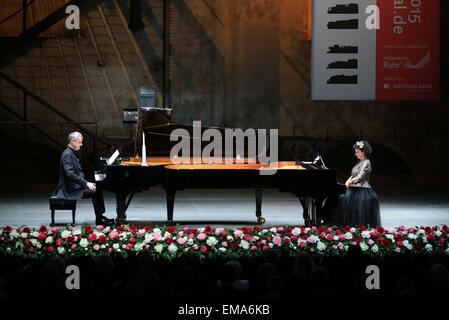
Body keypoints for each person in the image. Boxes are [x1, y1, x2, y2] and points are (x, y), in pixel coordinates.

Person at [53, 132, 114, 226]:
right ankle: (99, 219)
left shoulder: (71, 153)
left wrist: (86, 183)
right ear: (72, 142)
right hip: (69, 189)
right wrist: (85, 183)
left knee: (98, 188)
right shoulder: (67, 154)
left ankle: (100, 216)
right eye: (79, 142)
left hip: (75, 186)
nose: (81, 145)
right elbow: (69, 174)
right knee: (95, 191)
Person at [329, 141, 381, 227]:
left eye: (357, 152)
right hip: (354, 187)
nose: (355, 154)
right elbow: (353, 175)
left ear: (363, 152)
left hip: (362, 189)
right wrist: (347, 181)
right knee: (339, 197)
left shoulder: (367, 163)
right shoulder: (359, 162)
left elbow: (360, 177)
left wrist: (350, 182)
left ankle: (355, 226)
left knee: (345, 199)